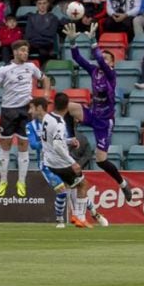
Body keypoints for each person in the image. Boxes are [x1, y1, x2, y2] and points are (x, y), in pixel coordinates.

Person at [63, 22, 133, 202]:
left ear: (112, 64)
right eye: (104, 58)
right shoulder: (95, 71)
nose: (104, 60)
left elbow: (100, 59)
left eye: (108, 59)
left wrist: (94, 42)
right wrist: (72, 42)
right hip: (94, 115)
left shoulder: (111, 75)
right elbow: (78, 59)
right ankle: (71, 137)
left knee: (101, 160)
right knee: (68, 106)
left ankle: (122, 184)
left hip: (105, 122)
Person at [27, 96, 108, 228]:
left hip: (52, 161)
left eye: (31, 108)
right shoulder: (57, 122)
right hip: (56, 162)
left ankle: (91, 214)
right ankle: (74, 217)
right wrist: (71, 161)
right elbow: (52, 145)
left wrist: (68, 141)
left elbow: (53, 140)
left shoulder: (47, 118)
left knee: (73, 186)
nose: (29, 111)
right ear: (67, 107)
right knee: (79, 185)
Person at [0, 39, 51, 198]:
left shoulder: (31, 67)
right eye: (22, 50)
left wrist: (46, 93)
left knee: (23, 145)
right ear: (15, 52)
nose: (25, 53)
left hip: (25, 111)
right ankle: (3, 180)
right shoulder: (4, 69)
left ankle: (21, 181)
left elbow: (45, 79)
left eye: (27, 51)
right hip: (8, 111)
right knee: (5, 146)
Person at [24, 0, 62, 65]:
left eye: (44, 3)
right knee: (22, 50)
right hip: (33, 43)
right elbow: (28, 34)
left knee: (44, 52)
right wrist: (43, 32)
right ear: (37, 5)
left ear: (48, 4)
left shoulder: (53, 18)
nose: (42, 5)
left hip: (46, 43)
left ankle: (41, 72)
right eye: (40, 3)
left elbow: (51, 33)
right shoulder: (31, 17)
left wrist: (36, 31)